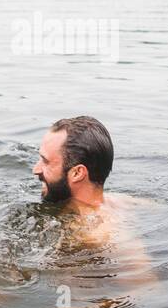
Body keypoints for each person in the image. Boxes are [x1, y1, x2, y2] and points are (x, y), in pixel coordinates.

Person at [32, 115, 156, 286]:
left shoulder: (99, 234)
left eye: (45, 161)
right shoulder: (124, 201)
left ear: (77, 173)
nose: (35, 169)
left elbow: (146, 288)